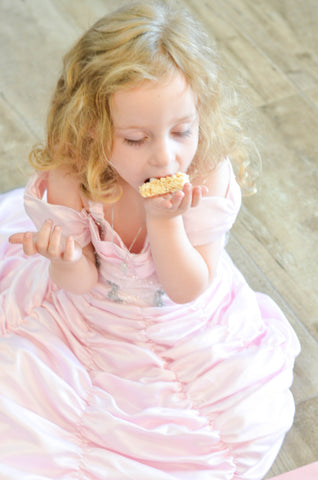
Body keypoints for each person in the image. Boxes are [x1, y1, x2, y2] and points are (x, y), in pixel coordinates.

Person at [0, 1, 300, 479]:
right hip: (87, 318)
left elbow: (187, 288)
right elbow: (79, 282)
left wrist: (165, 222)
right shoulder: (73, 172)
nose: (166, 157)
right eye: (136, 139)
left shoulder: (205, 171)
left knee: (217, 431)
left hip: (183, 323)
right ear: (91, 129)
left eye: (182, 130)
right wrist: (64, 255)